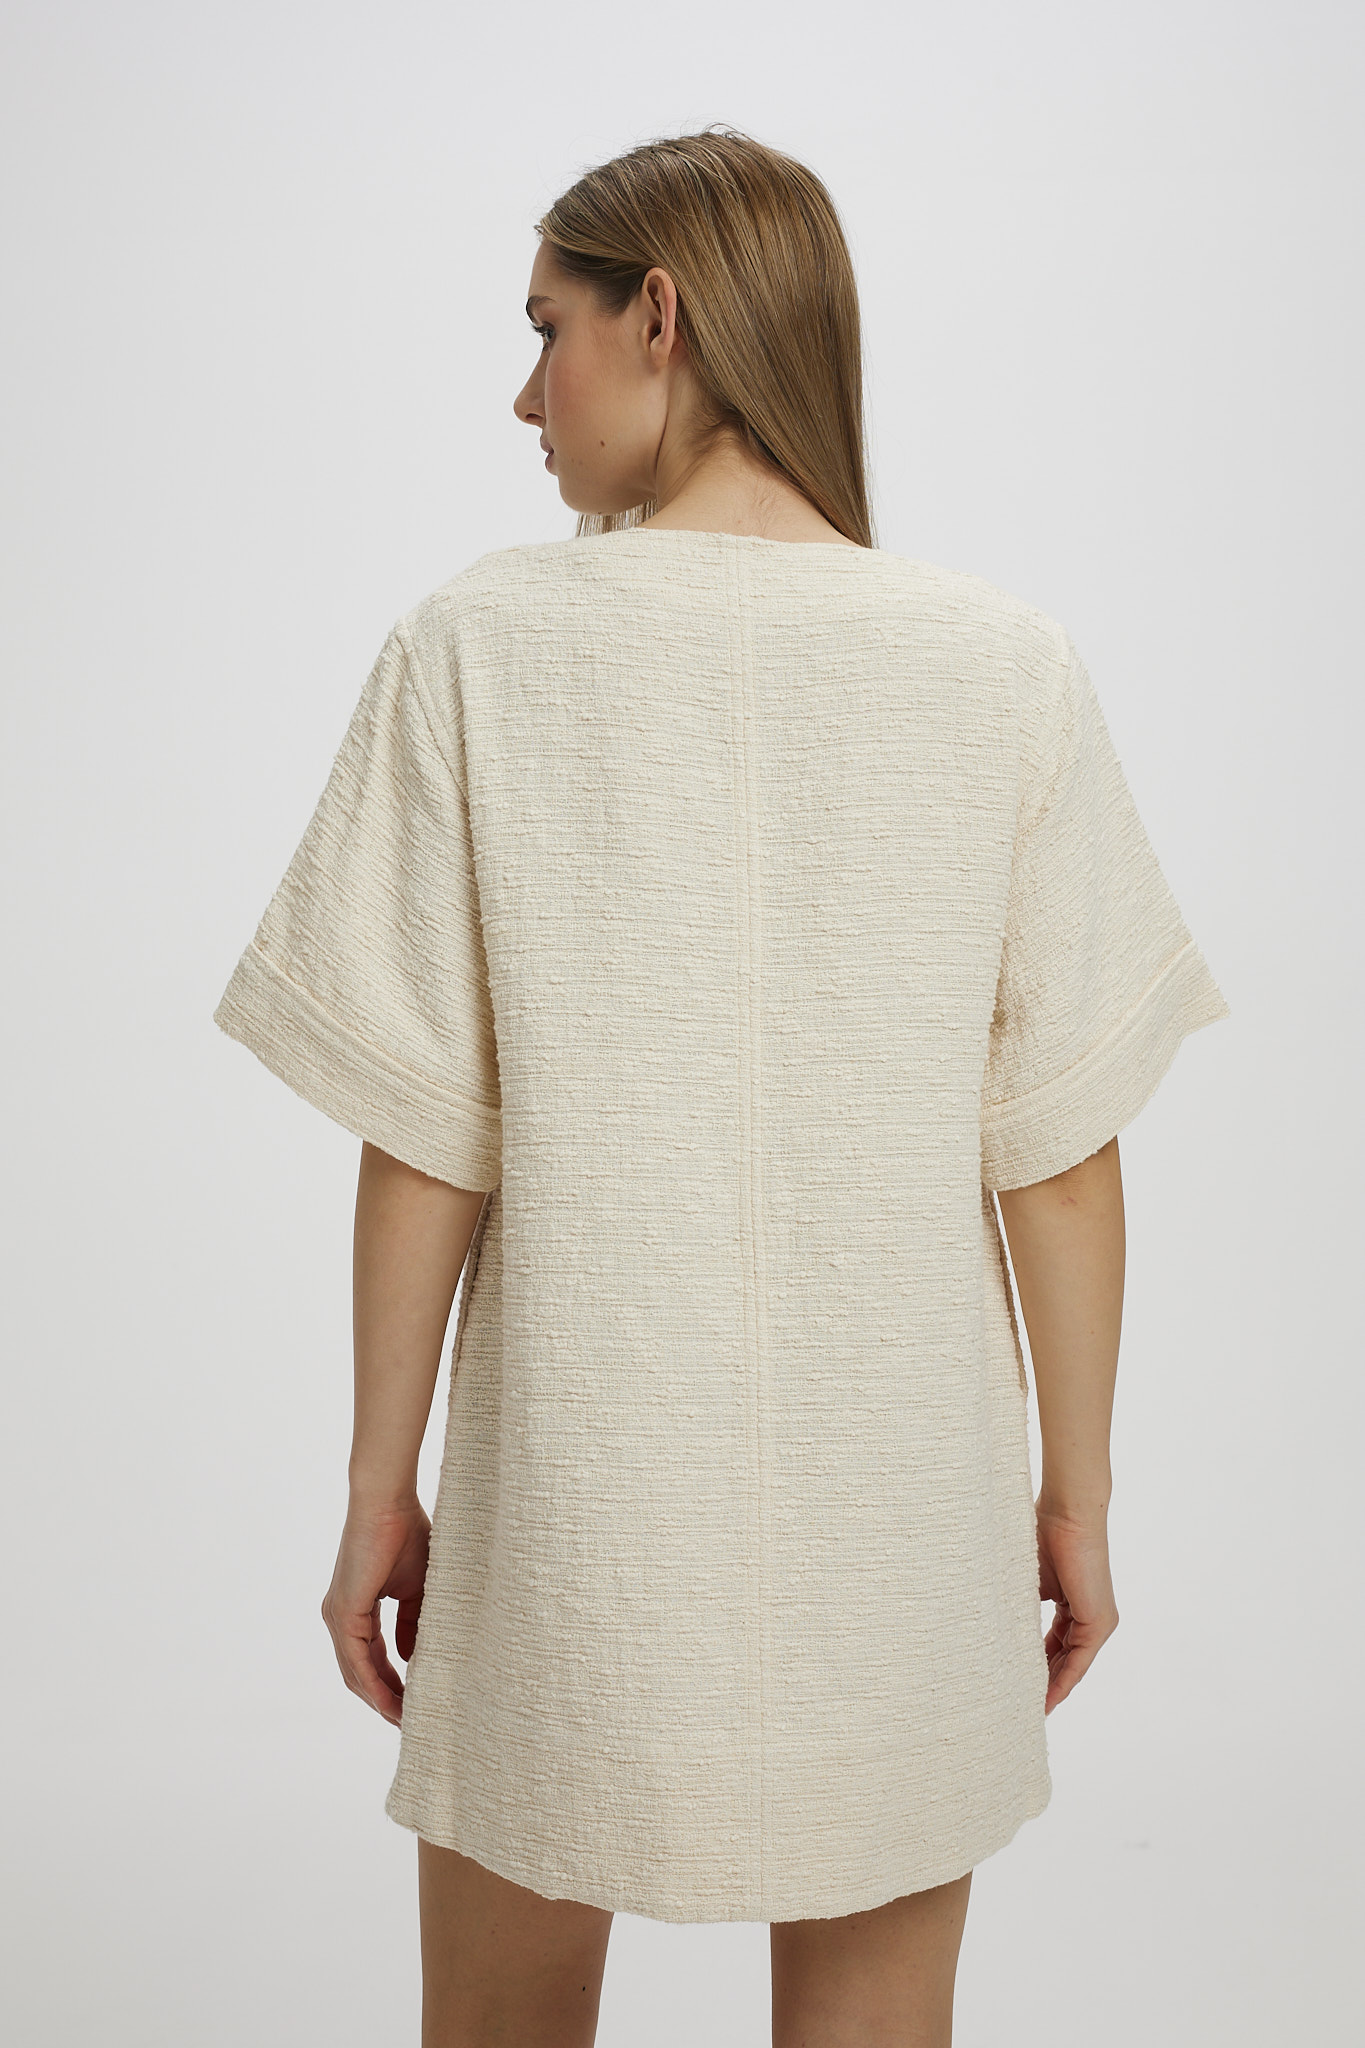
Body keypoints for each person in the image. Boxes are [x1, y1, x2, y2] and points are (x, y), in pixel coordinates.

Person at [212, 127, 1230, 2047]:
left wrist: (377, 1488)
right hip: (901, 1506)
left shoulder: (475, 648)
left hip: (571, 1499)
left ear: (659, 316)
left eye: (546, 328)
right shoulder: (1002, 668)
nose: (525, 394)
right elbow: (1060, 1160)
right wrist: (1074, 1503)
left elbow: (423, 1137)